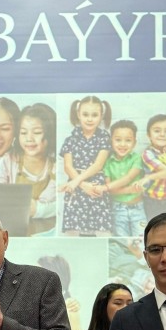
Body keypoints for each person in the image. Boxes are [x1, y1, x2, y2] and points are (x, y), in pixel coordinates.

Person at [0, 102, 57, 233]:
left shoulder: (57, 166)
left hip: (47, 231)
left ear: (50, 134)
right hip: (12, 228)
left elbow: (62, 204)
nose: (29, 139)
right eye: (23, 132)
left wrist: (38, 210)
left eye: (37, 132)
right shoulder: (9, 160)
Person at [60, 95, 112, 235]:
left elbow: (98, 165)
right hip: (76, 188)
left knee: (101, 231)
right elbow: (68, 167)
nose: (89, 119)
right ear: (78, 114)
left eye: (94, 115)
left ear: (101, 116)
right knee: (73, 231)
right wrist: (82, 185)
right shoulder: (70, 139)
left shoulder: (104, 138)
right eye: (85, 114)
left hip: (96, 187)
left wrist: (77, 182)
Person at [102, 120, 146, 236]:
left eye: (128, 140)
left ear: (134, 142)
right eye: (118, 140)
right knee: (122, 240)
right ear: (111, 141)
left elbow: (128, 178)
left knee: (141, 239)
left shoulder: (137, 158)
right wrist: (129, 189)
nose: (122, 144)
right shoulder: (108, 163)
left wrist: (106, 187)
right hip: (117, 209)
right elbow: (110, 191)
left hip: (138, 208)